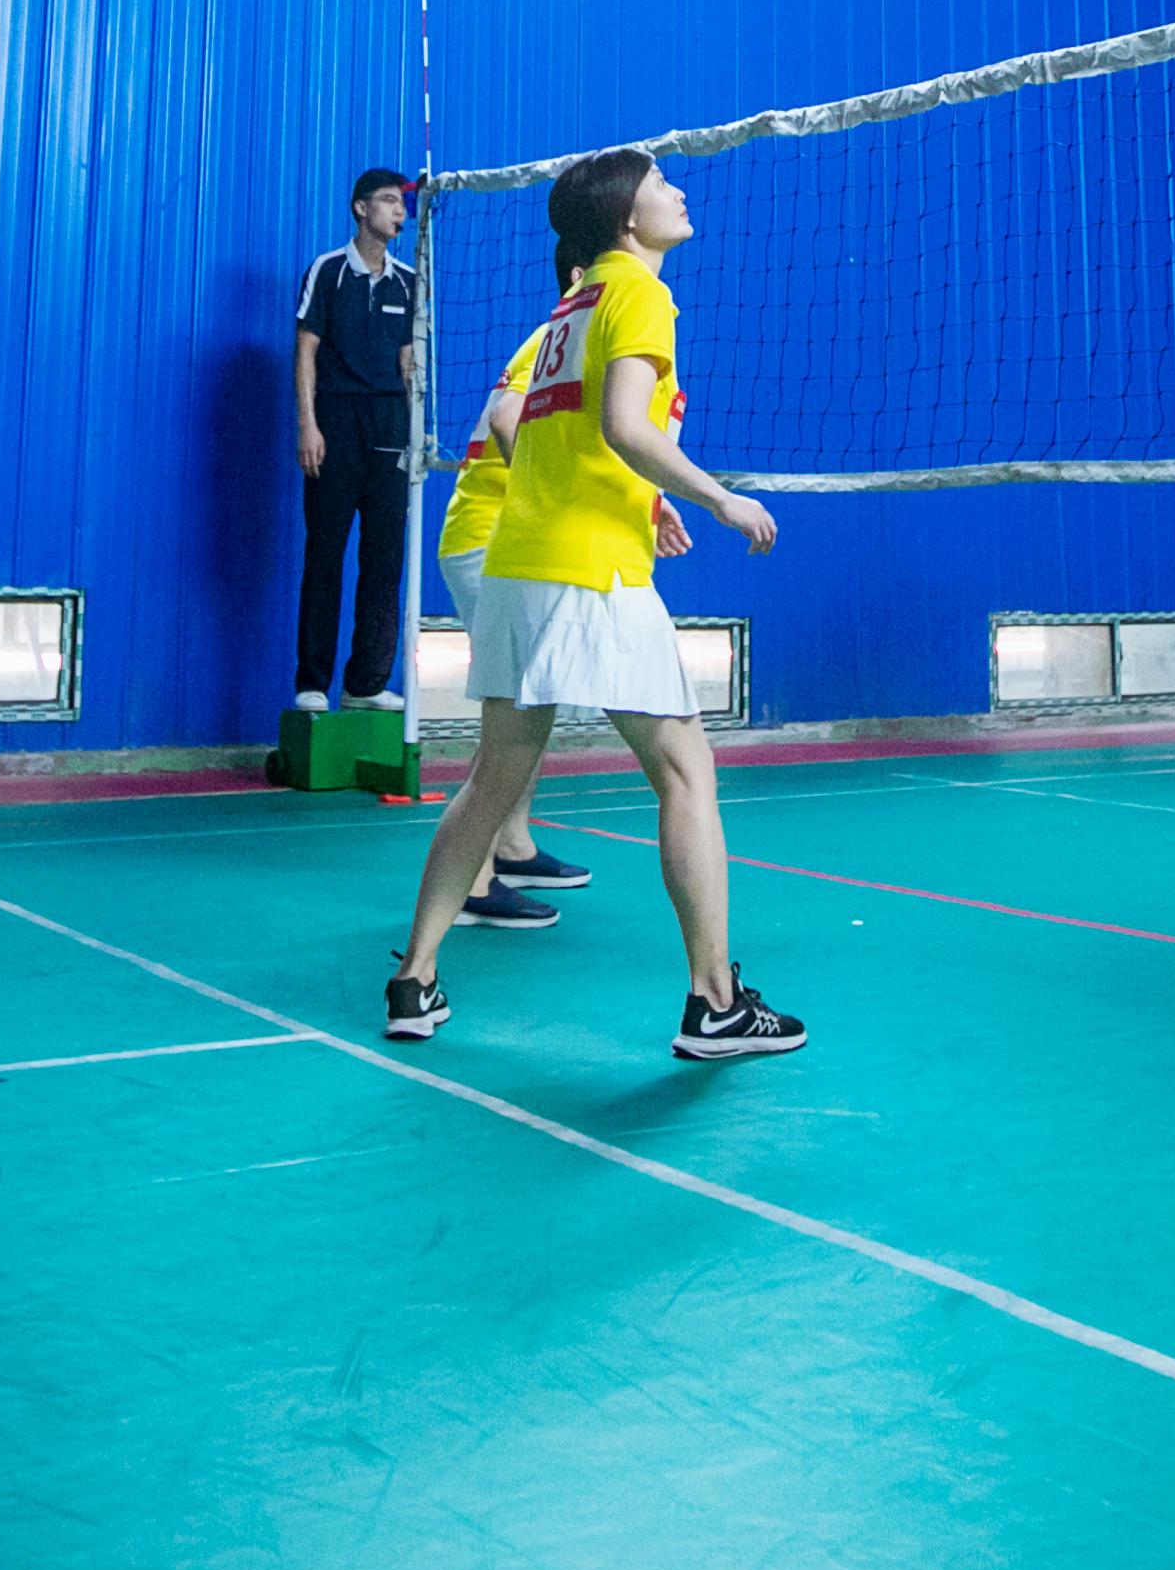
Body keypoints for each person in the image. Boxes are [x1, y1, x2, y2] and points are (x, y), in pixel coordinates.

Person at [386, 147, 802, 1060]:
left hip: (521, 564)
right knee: (687, 775)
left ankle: (414, 977)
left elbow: (564, 438)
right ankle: (715, 1002)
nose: (677, 193)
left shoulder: (570, 308)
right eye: (660, 184)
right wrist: (719, 498)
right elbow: (623, 424)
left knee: (492, 781)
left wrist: (642, 501)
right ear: (625, 217)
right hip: (592, 576)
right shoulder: (639, 292)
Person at [419, 301, 605, 933]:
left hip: (506, 540)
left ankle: (514, 847)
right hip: (491, 540)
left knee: (532, 701)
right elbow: (506, 419)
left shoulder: (574, 339)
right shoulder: (559, 335)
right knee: (511, 710)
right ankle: (472, 882)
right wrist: (553, 497)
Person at [288, 170, 420, 715]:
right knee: (325, 554)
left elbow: (409, 361)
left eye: (402, 204)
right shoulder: (327, 271)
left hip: (390, 429)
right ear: (361, 208)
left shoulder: (409, 281)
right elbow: (305, 350)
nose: (399, 212)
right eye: (389, 201)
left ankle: (365, 683)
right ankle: (313, 682)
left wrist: (416, 427)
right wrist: (308, 424)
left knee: (384, 560)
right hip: (336, 423)